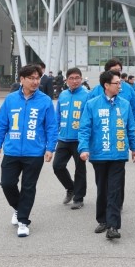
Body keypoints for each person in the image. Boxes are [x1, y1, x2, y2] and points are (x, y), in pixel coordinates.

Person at [0, 64, 58, 237]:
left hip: (34, 152)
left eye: (37, 78)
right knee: (7, 183)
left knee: (28, 187)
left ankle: (23, 221)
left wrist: (50, 148)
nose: (35, 81)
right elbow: (1, 124)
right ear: (22, 79)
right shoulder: (11, 99)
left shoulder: (44, 101)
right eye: (31, 78)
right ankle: (18, 208)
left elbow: (52, 127)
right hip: (12, 151)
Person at [78, 70, 135, 240]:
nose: (120, 86)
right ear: (106, 85)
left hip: (118, 154)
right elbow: (84, 129)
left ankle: (113, 226)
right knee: (102, 188)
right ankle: (102, 219)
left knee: (114, 189)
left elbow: (130, 128)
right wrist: (83, 148)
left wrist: (134, 148)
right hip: (99, 154)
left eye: (120, 83)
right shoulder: (92, 104)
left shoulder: (125, 104)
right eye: (117, 83)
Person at [53, 67, 89, 210]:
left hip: (79, 139)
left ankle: (79, 198)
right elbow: (58, 116)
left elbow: (89, 118)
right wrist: (55, 134)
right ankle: (71, 188)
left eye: (77, 78)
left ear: (81, 79)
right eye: (71, 78)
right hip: (63, 138)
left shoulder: (87, 95)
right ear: (66, 80)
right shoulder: (63, 95)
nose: (74, 81)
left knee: (80, 169)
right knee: (57, 166)